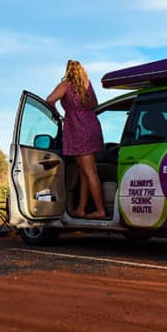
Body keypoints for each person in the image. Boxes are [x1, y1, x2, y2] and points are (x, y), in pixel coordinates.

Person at [47, 60, 106, 219]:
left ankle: (100, 210)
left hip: (78, 128)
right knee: (84, 171)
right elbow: (94, 104)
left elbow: (50, 100)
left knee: (89, 171)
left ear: (68, 71)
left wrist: (58, 114)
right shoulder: (87, 84)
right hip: (92, 125)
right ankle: (81, 209)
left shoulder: (66, 85)